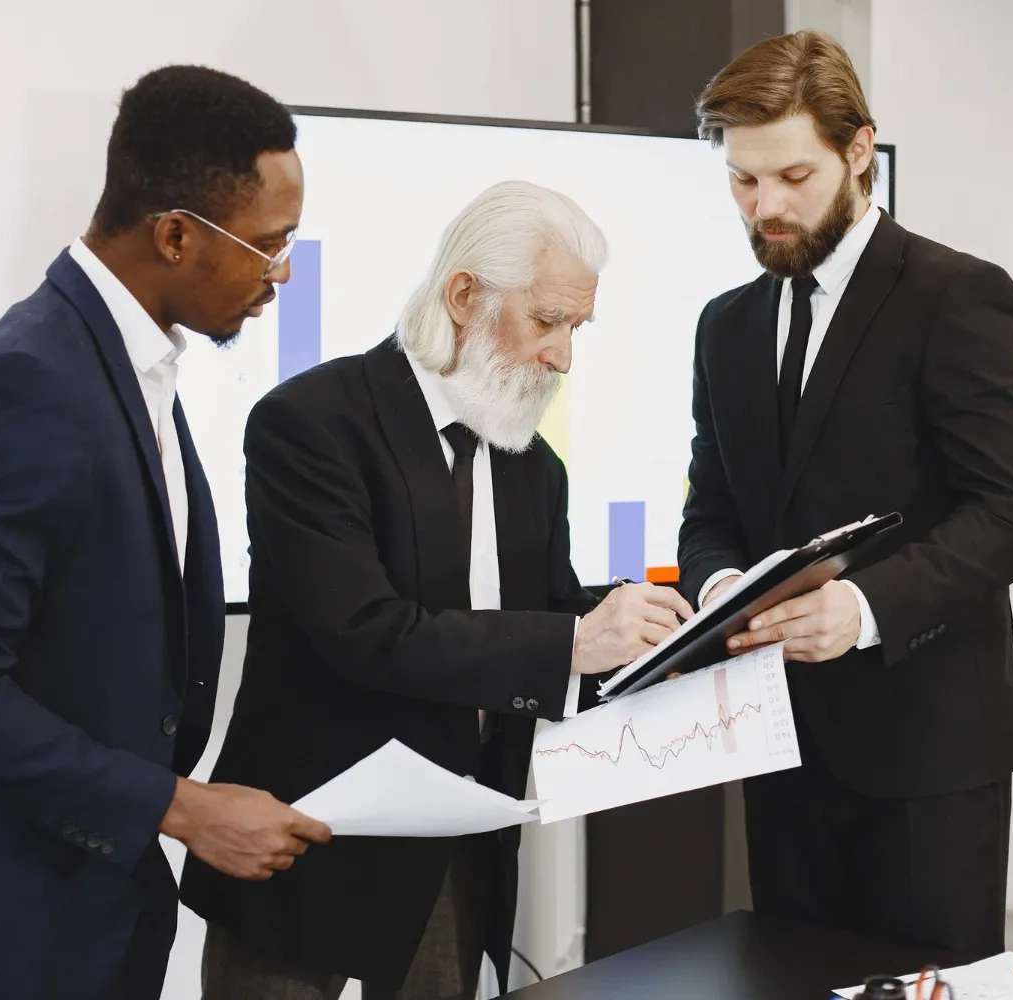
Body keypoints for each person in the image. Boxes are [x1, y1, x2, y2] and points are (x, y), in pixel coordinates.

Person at [0, 66, 331, 1000]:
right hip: (7, 934)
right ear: (176, 235)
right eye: (270, 246)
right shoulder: (27, 384)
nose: (280, 275)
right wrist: (182, 808)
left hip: (95, 912)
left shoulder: (129, 362)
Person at [179, 180, 695, 999]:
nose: (563, 357)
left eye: (577, 329)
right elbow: (365, 629)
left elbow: (550, 622)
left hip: (456, 852)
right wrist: (575, 641)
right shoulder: (312, 423)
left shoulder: (535, 466)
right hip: (305, 846)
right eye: (547, 321)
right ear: (464, 296)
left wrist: (663, 648)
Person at [679, 31, 1013, 955]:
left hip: (929, 756)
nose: (766, 206)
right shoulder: (725, 326)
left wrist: (862, 608)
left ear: (858, 151)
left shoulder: (960, 295)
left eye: (793, 176)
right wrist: (722, 589)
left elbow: (1009, 516)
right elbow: (711, 505)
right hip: (778, 747)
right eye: (743, 180)